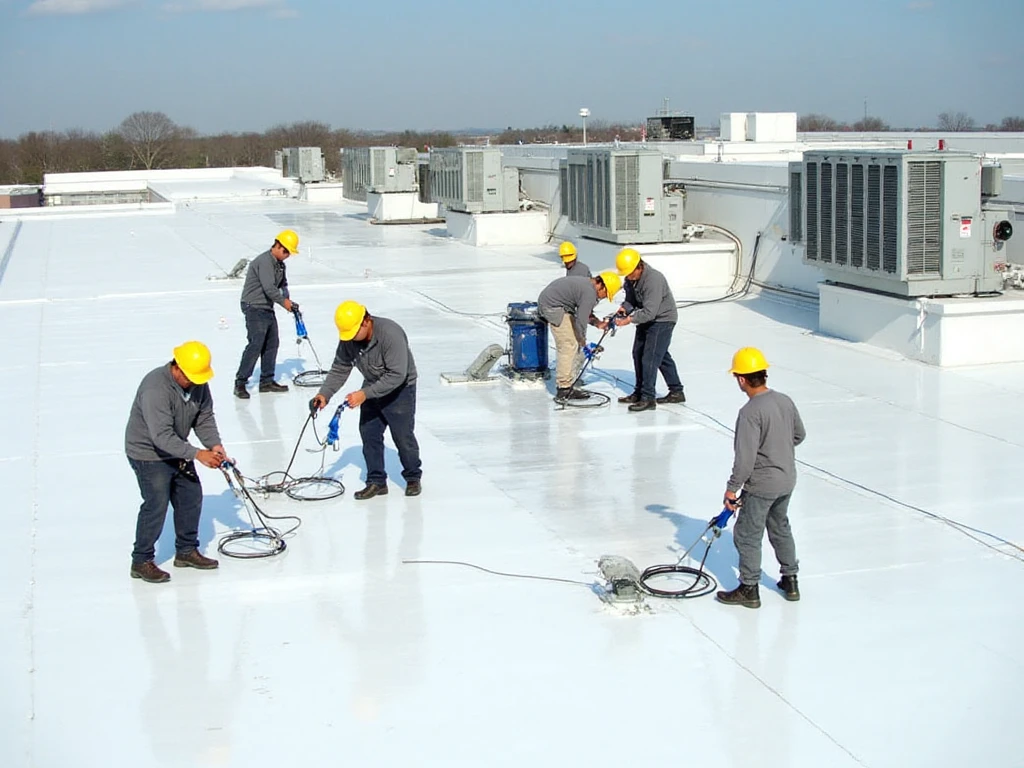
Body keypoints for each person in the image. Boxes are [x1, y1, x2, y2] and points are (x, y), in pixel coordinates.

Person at [125, 341, 228, 583]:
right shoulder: (155, 388)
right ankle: (141, 560)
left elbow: (204, 417)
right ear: (177, 368)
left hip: (176, 448)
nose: (194, 382)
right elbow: (161, 436)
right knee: (156, 503)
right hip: (148, 453)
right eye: (190, 377)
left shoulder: (197, 384)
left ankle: (186, 551)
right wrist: (197, 454)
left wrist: (214, 445)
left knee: (191, 495)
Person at [716, 347, 806, 609]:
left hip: (762, 484)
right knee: (780, 527)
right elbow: (799, 435)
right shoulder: (785, 401)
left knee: (747, 534)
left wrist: (732, 490)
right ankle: (790, 580)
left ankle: (749, 588)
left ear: (742, 379)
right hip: (787, 479)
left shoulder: (750, 412)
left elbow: (744, 459)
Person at [310, 301, 422, 500]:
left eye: (354, 333)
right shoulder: (349, 339)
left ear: (366, 321)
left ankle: (413, 477)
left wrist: (363, 394)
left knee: (402, 437)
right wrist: (324, 394)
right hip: (372, 386)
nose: (351, 338)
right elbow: (340, 368)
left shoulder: (390, 334)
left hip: (400, 390)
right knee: (369, 434)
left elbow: (397, 375)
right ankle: (376, 481)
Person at [613, 247, 685, 412]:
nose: (628, 277)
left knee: (650, 358)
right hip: (646, 319)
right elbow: (630, 300)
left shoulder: (654, 279)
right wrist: (624, 308)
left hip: (662, 320)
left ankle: (648, 397)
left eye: (631, 273)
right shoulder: (630, 280)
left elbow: (650, 312)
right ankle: (674, 391)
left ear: (640, 267)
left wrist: (629, 319)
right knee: (644, 353)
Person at [234, 229, 300, 399]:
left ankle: (266, 381)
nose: (286, 255)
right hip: (253, 306)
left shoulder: (280, 265)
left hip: (266, 307)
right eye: (285, 251)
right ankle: (240, 383)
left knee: (272, 343)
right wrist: (284, 303)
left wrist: (288, 299)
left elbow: (282, 285)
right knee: (256, 343)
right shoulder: (264, 261)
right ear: (277, 245)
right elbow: (269, 288)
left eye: (289, 253)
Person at [537, 271, 622, 402]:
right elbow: (581, 320)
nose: (603, 297)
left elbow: (585, 312)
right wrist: (582, 340)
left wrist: (598, 323)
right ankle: (564, 388)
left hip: (558, 305)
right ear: (601, 286)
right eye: (605, 294)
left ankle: (569, 380)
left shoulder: (588, 286)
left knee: (573, 342)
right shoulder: (590, 293)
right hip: (553, 308)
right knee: (568, 344)